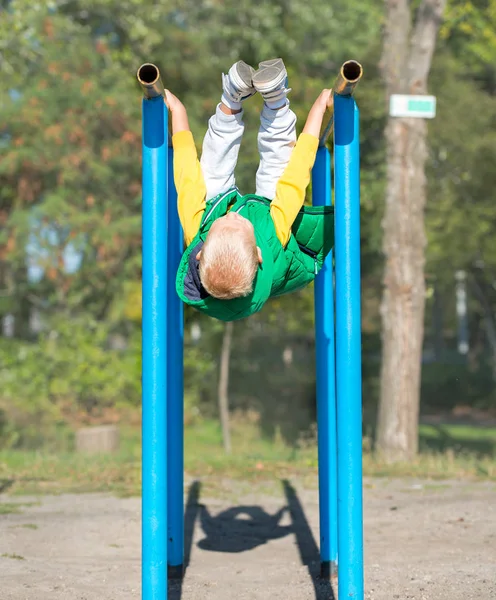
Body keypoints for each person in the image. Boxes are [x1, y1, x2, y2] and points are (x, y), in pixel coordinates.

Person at [166, 58, 334, 322]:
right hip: (282, 250)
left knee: (210, 176)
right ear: (258, 255)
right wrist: (317, 111)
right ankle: (277, 101)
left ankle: (231, 99)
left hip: (234, 218)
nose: (234, 217)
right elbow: (295, 177)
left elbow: (187, 179)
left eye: (224, 223)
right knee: (278, 170)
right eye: (240, 225)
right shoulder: (272, 238)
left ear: (199, 253)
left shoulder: (198, 230)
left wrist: (178, 115)